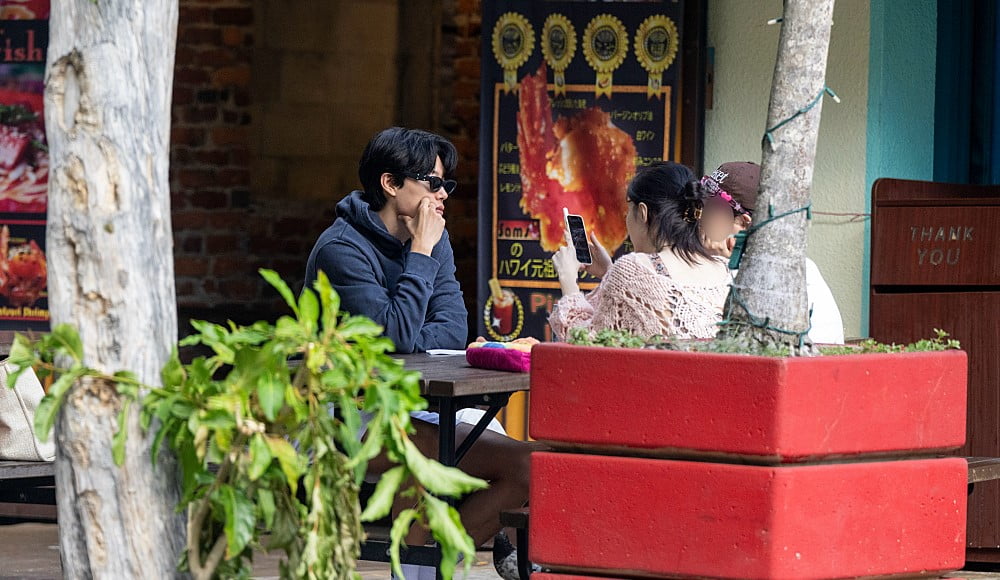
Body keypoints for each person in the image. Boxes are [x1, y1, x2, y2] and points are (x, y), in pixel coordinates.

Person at [304, 127, 531, 580]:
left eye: (448, 184)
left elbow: (452, 329)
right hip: (345, 411)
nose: (443, 194)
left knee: (530, 466)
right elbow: (395, 336)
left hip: (423, 403)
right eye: (433, 182)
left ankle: (429, 570)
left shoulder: (434, 237)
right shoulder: (341, 250)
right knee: (427, 451)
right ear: (390, 184)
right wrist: (421, 252)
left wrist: (424, 261)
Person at [549, 161, 732, 341]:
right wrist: (609, 272)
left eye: (629, 210)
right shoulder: (725, 269)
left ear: (643, 212)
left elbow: (586, 345)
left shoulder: (633, 270)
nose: (627, 219)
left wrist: (568, 279)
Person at [699, 161, 845, 344]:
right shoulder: (797, 262)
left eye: (711, 209)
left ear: (744, 222)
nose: (700, 216)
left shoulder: (752, 270)